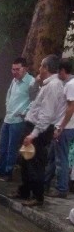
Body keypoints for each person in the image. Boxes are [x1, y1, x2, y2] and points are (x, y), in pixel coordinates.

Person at [11, 54, 65, 207]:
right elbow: (35, 100)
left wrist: (33, 134)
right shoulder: (47, 84)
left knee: (36, 164)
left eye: (41, 66)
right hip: (33, 126)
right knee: (26, 161)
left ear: (47, 68)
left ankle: (37, 196)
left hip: (40, 130)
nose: (39, 69)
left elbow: (46, 114)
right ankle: (25, 191)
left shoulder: (53, 86)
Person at [0, 57, 35, 181]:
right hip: (8, 118)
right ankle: (0, 170)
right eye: (13, 69)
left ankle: (8, 173)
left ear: (25, 69)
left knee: (12, 148)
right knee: (2, 147)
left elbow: (35, 101)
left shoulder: (31, 82)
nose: (15, 72)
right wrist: (8, 106)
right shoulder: (14, 81)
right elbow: (9, 94)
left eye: (17, 69)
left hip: (18, 121)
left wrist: (24, 113)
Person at [44, 59, 74, 198]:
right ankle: (44, 183)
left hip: (65, 128)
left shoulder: (70, 85)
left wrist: (60, 127)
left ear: (62, 71)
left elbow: (70, 108)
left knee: (61, 159)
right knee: (51, 156)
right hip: (65, 127)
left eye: (58, 72)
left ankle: (62, 189)